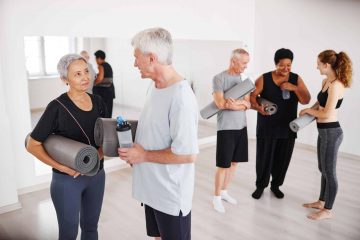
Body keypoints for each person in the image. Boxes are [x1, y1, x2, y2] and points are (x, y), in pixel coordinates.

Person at [118, 27, 198, 240]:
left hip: (170, 196)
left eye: (136, 58)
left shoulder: (181, 97)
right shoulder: (154, 87)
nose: (135, 64)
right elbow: (154, 128)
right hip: (152, 190)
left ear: (151, 58)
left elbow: (188, 154)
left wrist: (143, 155)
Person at [26, 54, 107, 240]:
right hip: (67, 181)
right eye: (77, 74)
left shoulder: (99, 102)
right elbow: (32, 144)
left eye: (86, 71)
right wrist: (63, 168)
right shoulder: (56, 107)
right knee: (68, 234)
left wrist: (100, 154)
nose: (85, 77)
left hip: (97, 176)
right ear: (65, 79)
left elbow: (104, 138)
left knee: (91, 228)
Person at [250, 48, 311, 199]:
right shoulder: (264, 78)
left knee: (282, 160)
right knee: (264, 159)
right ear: (276, 64)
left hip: (287, 127)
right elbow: (252, 96)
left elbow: (306, 100)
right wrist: (258, 108)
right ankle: (260, 186)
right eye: (282, 65)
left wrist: (294, 88)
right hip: (267, 127)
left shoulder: (296, 79)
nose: (286, 68)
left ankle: (276, 185)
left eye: (289, 65)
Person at [300, 50, 352, 220]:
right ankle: (321, 201)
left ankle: (327, 210)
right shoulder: (326, 81)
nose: (316, 67)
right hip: (323, 132)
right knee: (322, 169)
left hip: (332, 132)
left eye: (318, 63)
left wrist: (309, 111)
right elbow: (321, 102)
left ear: (326, 65)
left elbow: (327, 114)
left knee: (329, 172)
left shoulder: (337, 85)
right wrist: (311, 109)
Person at [212, 48, 251, 213]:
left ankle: (225, 192)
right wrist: (237, 104)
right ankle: (216, 198)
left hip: (241, 127)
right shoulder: (219, 78)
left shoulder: (244, 80)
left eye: (247, 63)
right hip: (226, 128)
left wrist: (235, 104)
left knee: (234, 163)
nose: (245, 67)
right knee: (223, 165)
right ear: (233, 61)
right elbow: (221, 104)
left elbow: (248, 104)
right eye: (244, 63)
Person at [93, 50, 115, 118]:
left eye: (96, 59)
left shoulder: (101, 66)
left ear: (99, 58)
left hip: (104, 92)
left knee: (103, 110)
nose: (96, 61)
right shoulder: (108, 65)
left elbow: (100, 78)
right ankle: (107, 124)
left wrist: (94, 84)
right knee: (108, 110)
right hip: (110, 90)